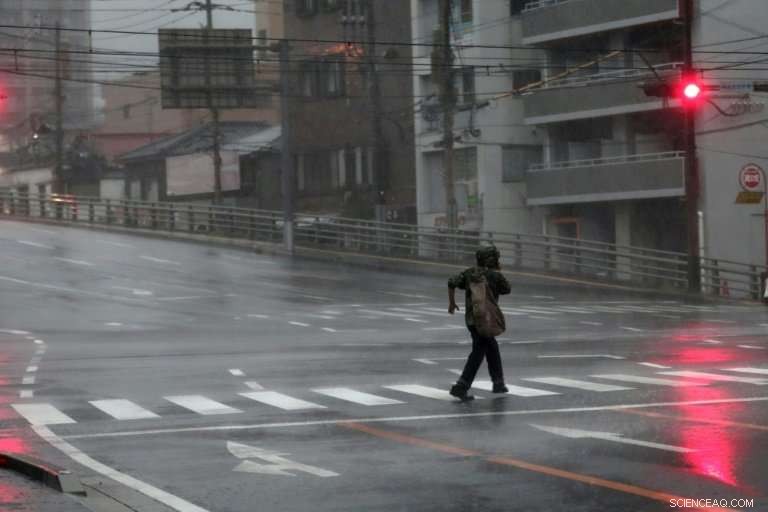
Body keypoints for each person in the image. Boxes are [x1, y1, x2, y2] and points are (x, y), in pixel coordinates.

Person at [447, 246, 511, 401]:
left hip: (472, 319)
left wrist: (452, 303)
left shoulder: (469, 273)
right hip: (487, 319)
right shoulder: (495, 276)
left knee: (490, 347)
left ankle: (498, 383)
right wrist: (497, 272)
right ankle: (461, 386)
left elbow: (451, 282)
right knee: (479, 351)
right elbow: (507, 289)